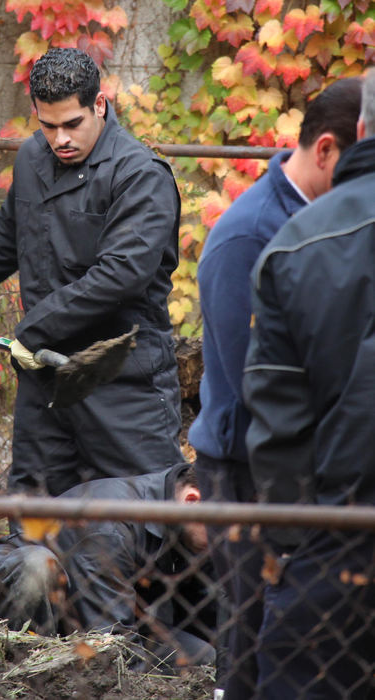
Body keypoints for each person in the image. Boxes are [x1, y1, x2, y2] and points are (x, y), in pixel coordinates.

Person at [187, 77, 362, 699]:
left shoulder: (319, 223)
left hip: (297, 460)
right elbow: (247, 382)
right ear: (325, 151)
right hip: (246, 469)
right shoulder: (248, 236)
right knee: (253, 632)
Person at [0, 47, 184, 498]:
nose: (60, 138)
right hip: (46, 383)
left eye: (73, 124)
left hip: (122, 380)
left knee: (149, 519)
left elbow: (120, 275)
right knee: (33, 517)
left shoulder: (139, 175)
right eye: (48, 126)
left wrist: (29, 331)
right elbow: (5, 240)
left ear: (98, 105)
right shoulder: (31, 160)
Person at [242, 69, 375, 700]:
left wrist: (294, 547)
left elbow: (277, 421)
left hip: (334, 539)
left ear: (361, 130)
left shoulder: (297, 244)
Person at [0, 463, 216, 671]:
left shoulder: (195, 533)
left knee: (201, 656)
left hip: (83, 619)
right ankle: (17, 677)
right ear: (192, 500)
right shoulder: (112, 522)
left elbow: (212, 619)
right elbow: (109, 639)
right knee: (37, 565)